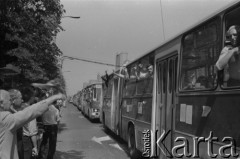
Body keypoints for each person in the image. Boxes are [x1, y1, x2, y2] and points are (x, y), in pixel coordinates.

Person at [0, 89, 64, 159]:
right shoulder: (5, 119)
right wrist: (54, 97)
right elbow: (31, 111)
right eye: (9, 100)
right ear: (1, 103)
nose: (11, 102)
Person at [38, 87, 61, 159]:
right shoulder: (56, 110)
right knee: (52, 143)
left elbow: (41, 118)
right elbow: (58, 120)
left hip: (45, 126)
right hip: (53, 127)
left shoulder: (44, 109)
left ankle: (41, 155)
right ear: (55, 102)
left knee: (44, 141)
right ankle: (50, 157)